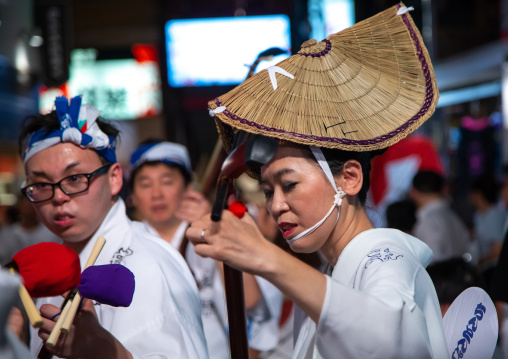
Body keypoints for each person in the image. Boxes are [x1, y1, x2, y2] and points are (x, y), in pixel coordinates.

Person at [187, 4, 449, 358]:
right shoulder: (328, 268)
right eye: (268, 191)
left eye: (289, 184)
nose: (276, 204)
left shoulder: (387, 260)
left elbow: (389, 340)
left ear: (350, 178)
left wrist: (265, 257)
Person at [18, 95, 207, 358]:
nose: (58, 196)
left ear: (115, 179)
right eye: (40, 184)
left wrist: (104, 351)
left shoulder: (148, 264)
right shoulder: (54, 269)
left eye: (74, 178)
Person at [129, 141, 283, 359]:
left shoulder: (208, 231)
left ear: (188, 188)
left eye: (167, 182)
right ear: (133, 196)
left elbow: (249, 302)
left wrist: (215, 231)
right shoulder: (128, 244)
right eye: (145, 184)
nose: (156, 194)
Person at [411, 170, 471, 263]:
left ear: (414, 193)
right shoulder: (453, 216)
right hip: (457, 273)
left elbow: (432, 260)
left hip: (438, 276)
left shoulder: (428, 221)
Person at [0, 195, 61, 266]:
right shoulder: (9, 233)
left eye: (30, 204)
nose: (28, 208)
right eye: (24, 204)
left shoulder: (51, 231)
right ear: (19, 206)